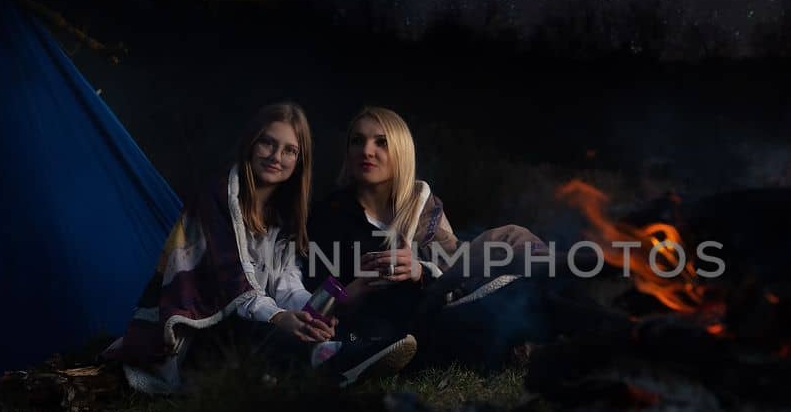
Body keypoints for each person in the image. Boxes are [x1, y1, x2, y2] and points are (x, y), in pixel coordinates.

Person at [104, 102, 418, 393]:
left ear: (299, 161)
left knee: (299, 328)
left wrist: (310, 313)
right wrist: (280, 317)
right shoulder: (217, 196)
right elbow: (232, 285)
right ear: (251, 144)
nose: (276, 156)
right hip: (199, 327)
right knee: (249, 329)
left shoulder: (283, 215)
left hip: (254, 320)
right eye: (268, 143)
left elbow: (286, 282)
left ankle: (337, 353)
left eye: (289, 150)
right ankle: (338, 359)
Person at [306, 106, 581, 370]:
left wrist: (419, 270)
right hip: (392, 320)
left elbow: (453, 262)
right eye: (357, 141)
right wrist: (361, 284)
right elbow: (315, 299)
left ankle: (571, 308)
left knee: (512, 239)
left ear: (401, 151)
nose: (367, 151)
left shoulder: (421, 202)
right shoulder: (330, 214)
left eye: (381, 143)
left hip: (440, 296)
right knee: (482, 306)